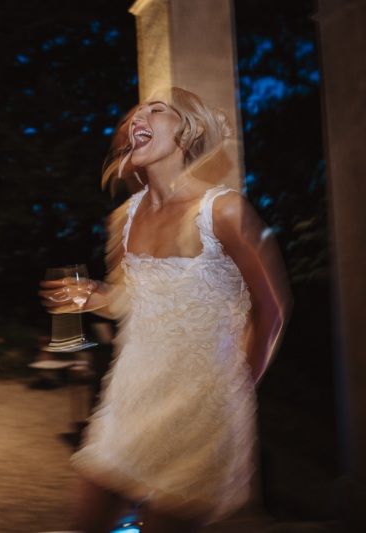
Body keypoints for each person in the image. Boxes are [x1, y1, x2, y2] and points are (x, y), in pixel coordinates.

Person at [40, 87, 292, 533]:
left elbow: (271, 310)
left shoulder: (224, 210)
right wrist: (89, 296)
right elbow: (132, 303)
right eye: (135, 112)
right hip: (129, 401)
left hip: (198, 415)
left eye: (157, 111)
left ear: (187, 131)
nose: (139, 116)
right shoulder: (124, 218)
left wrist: (234, 393)